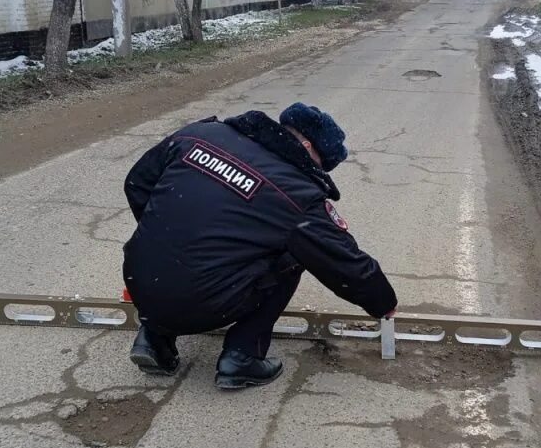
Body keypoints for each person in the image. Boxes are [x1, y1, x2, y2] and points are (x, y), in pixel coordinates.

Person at [122, 103, 397, 390]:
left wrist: (166, 235)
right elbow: (341, 261)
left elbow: (137, 184)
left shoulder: (200, 134)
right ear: (305, 145)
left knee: (172, 236)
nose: (317, 170)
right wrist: (383, 303)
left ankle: (153, 338)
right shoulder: (295, 193)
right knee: (294, 255)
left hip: (140, 280)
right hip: (204, 302)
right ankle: (242, 357)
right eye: (320, 162)